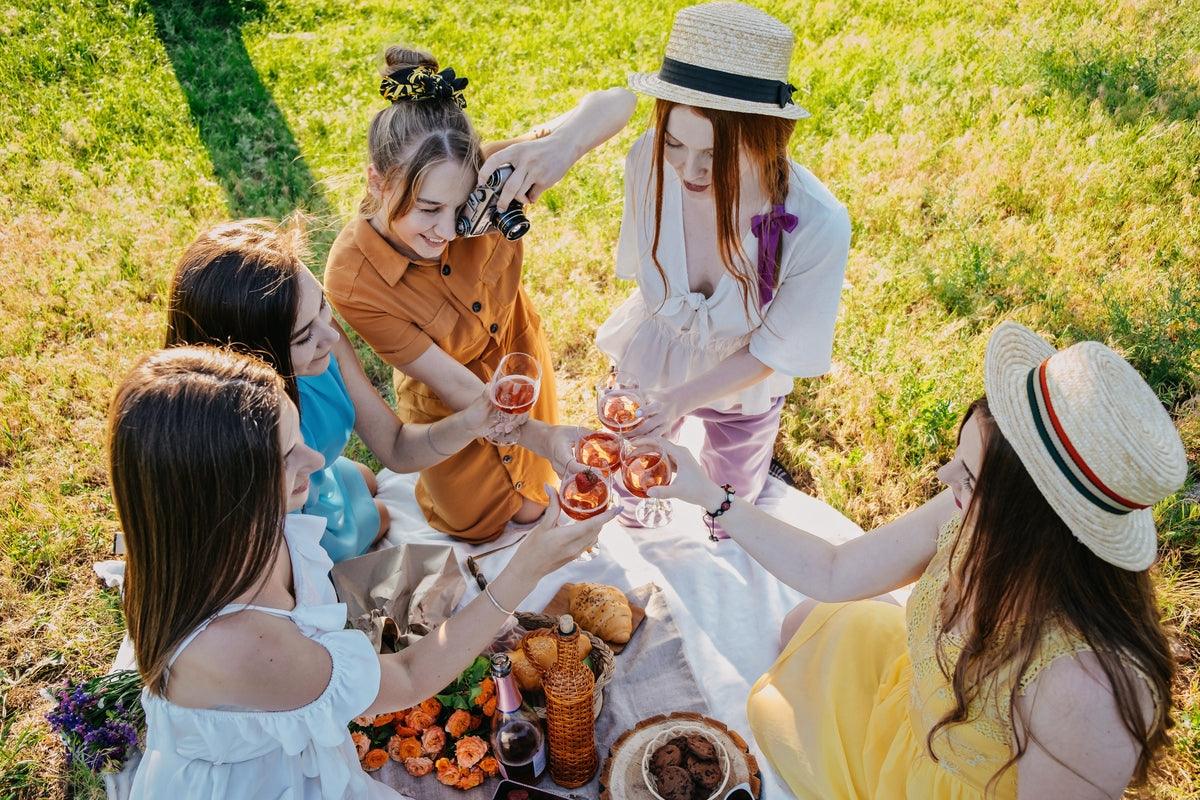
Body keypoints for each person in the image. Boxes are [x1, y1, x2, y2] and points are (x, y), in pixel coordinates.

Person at [650, 321, 1186, 798]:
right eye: (959, 460)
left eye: (968, 477)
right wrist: (707, 493)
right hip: (909, 709)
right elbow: (836, 571)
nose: (943, 479)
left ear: (1034, 526)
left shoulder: (1090, 693)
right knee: (803, 626)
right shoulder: (981, 512)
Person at [115, 347, 615, 798]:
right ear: (225, 496)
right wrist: (531, 564)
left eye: (298, 438)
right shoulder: (237, 646)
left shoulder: (243, 528)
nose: (315, 459)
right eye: (287, 457)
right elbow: (409, 675)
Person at [324, 46, 636, 542]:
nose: (447, 231)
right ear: (377, 182)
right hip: (450, 403)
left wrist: (562, 147)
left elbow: (620, 100)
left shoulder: (491, 172)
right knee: (473, 526)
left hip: (520, 358)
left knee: (534, 505)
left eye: (459, 207)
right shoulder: (352, 279)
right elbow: (452, 383)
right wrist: (539, 436)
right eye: (427, 209)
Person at [589, 2, 850, 529]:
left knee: (729, 511)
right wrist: (658, 403)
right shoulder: (647, 160)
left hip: (744, 381)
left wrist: (679, 400)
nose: (689, 169)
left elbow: (772, 349)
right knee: (632, 496)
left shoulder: (816, 221)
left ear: (767, 137)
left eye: (716, 154)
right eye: (676, 143)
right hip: (654, 352)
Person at [165, 217, 495, 562]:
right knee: (381, 518)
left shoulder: (322, 337)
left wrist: (472, 422)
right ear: (250, 357)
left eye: (322, 305)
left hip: (318, 481)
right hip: (283, 524)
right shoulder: (235, 431)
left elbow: (396, 447)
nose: (331, 336)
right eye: (304, 336)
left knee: (366, 479)